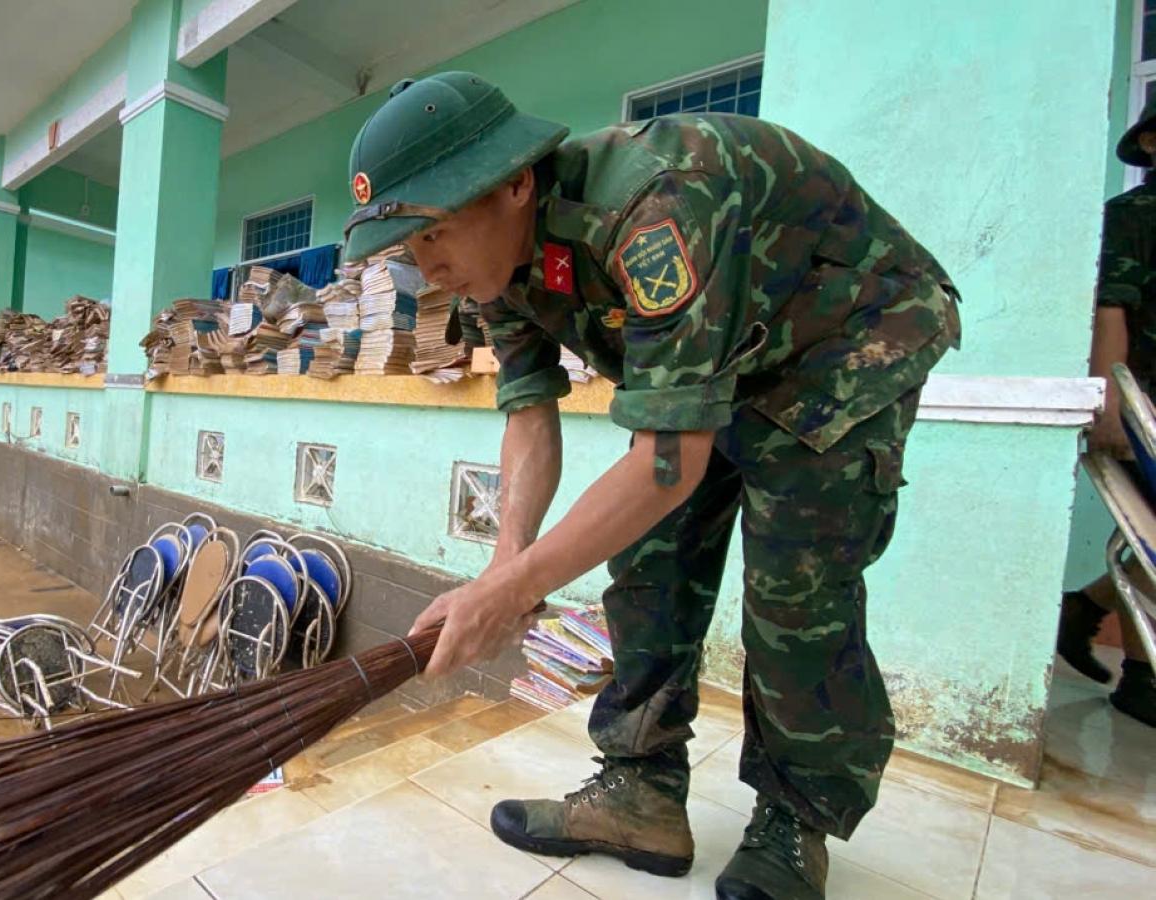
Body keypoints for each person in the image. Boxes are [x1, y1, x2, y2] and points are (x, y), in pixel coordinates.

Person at [341, 73, 961, 900]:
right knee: (647, 560)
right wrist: (506, 564)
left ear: (515, 182)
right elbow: (531, 415)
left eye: (434, 235)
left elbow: (671, 457)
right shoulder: (494, 264)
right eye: (408, 250)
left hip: (846, 338)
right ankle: (640, 791)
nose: (430, 268)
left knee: (795, 590)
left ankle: (795, 821)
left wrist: (521, 584)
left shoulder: (652, 208)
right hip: (726, 355)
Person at [1056, 100, 1156, 728]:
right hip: (1146, 399)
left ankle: (1085, 605)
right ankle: (1142, 677)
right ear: (1149, 143)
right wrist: (1110, 401)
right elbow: (1110, 308)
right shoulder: (1134, 216)